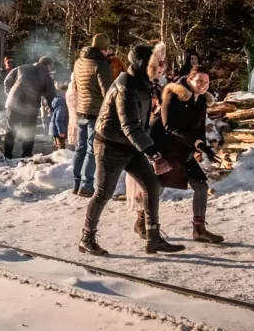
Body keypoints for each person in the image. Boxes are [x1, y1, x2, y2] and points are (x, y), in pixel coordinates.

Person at [79, 45, 186, 257]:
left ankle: (152, 237)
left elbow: (141, 123)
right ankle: (86, 238)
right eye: (158, 64)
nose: (162, 68)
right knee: (103, 192)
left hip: (131, 145)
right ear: (144, 65)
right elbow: (130, 126)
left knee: (153, 185)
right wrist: (153, 154)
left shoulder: (143, 83)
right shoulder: (126, 86)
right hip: (110, 145)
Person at [149, 66, 224, 244]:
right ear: (189, 80)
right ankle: (144, 224)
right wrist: (196, 143)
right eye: (199, 81)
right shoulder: (172, 95)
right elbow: (169, 126)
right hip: (165, 149)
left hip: (184, 150)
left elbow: (198, 128)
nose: (203, 85)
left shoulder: (201, 101)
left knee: (201, 186)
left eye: (206, 82)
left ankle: (199, 230)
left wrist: (203, 146)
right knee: (156, 187)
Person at [71, 34, 114, 196]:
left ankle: (76, 183)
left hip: (80, 109)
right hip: (95, 112)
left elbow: (75, 85)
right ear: (104, 49)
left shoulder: (78, 62)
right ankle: (86, 185)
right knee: (91, 150)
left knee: (79, 148)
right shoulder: (101, 64)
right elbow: (108, 92)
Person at [2, 56, 57, 159]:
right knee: (29, 131)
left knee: (11, 130)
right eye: (51, 66)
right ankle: (26, 155)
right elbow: (50, 95)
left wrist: (10, 94)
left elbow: (6, 81)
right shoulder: (46, 76)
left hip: (13, 104)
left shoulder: (21, 68)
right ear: (48, 65)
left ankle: (7, 154)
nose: (51, 69)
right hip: (30, 108)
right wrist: (52, 108)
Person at [49, 82, 68, 150]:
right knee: (61, 149)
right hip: (58, 131)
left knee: (57, 147)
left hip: (55, 130)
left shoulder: (58, 101)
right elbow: (58, 120)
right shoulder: (62, 104)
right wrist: (61, 132)